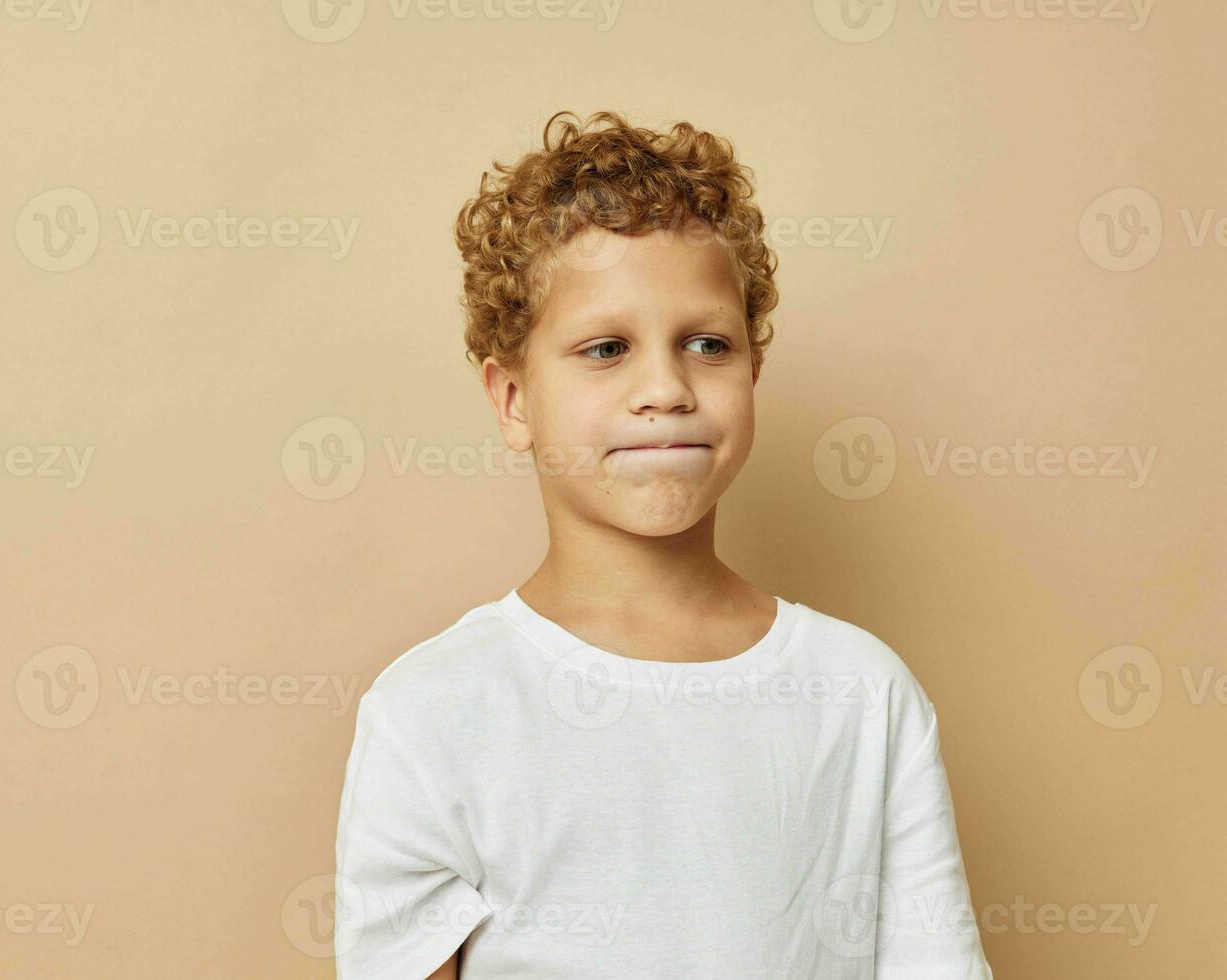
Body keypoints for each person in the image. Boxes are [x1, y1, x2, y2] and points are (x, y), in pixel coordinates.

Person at [333, 109, 994, 979]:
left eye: (706, 344)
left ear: (752, 370)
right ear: (513, 400)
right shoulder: (435, 709)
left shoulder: (863, 695)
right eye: (606, 348)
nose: (665, 388)